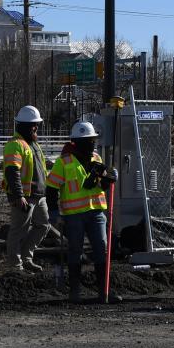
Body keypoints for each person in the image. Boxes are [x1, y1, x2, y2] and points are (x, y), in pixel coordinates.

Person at [46, 121, 120, 304]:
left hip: (96, 212)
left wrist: (109, 178)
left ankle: (104, 291)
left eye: (93, 140)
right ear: (77, 142)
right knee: (75, 251)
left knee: (101, 250)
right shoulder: (64, 162)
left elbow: (102, 185)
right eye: (89, 140)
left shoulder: (96, 158)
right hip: (74, 215)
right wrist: (54, 212)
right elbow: (51, 188)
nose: (92, 144)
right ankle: (75, 292)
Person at [1, 105, 51, 272]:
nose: (36, 127)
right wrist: (18, 195)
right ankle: (15, 266)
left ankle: (26, 257)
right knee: (18, 231)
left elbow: (40, 170)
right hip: (24, 196)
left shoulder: (34, 144)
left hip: (38, 195)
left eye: (36, 124)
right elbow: (12, 171)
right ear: (23, 126)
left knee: (43, 226)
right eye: (33, 125)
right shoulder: (15, 145)